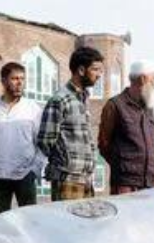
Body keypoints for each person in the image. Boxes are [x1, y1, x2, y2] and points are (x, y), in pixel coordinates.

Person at [37, 46, 104, 201]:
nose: (99, 75)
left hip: (86, 179)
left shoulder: (83, 99)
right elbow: (45, 141)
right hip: (67, 180)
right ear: (81, 70)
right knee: (66, 218)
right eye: (95, 69)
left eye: (100, 70)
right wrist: (65, 162)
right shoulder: (60, 100)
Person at [0, 62, 44, 215]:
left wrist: (34, 170)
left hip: (25, 175)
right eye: (14, 78)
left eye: (22, 79)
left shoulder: (33, 109)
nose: (20, 83)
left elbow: (41, 144)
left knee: (29, 220)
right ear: (3, 81)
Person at [97, 59, 154, 194]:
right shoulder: (115, 105)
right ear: (143, 79)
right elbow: (104, 144)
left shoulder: (148, 109)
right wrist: (124, 167)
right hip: (126, 186)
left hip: (152, 184)